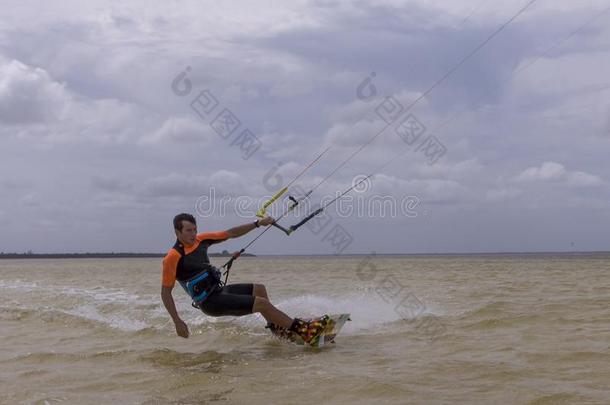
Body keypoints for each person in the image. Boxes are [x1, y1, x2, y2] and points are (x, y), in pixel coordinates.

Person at [161, 213, 328, 343]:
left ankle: (279, 330)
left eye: (195, 229)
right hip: (209, 302)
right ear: (177, 232)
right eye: (188, 230)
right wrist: (177, 321)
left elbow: (232, 233)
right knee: (262, 304)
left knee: (259, 289)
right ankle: (303, 331)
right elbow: (166, 293)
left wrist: (257, 224)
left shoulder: (201, 240)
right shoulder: (173, 257)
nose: (193, 234)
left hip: (218, 291)